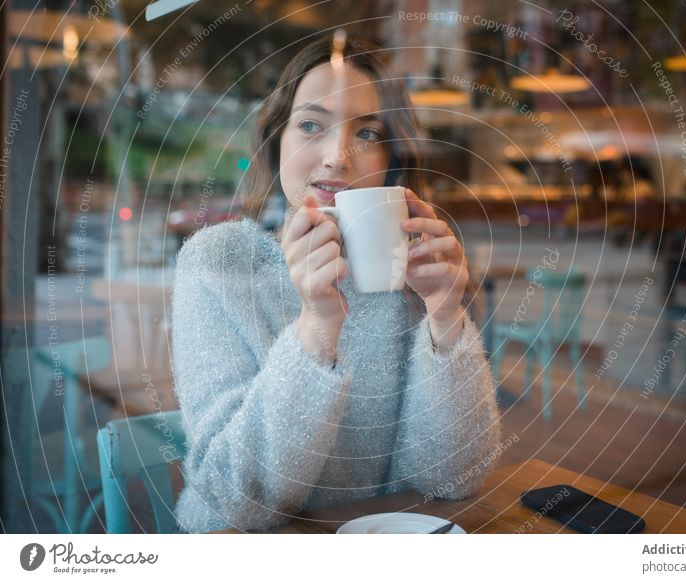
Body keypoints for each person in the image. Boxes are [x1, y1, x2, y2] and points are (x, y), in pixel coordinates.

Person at [171, 34, 501, 533]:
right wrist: (317, 326)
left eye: (367, 134)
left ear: (392, 156)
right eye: (310, 126)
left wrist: (446, 316)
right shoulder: (218, 264)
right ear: (275, 141)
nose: (337, 157)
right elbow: (232, 501)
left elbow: (452, 478)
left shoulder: (411, 267)